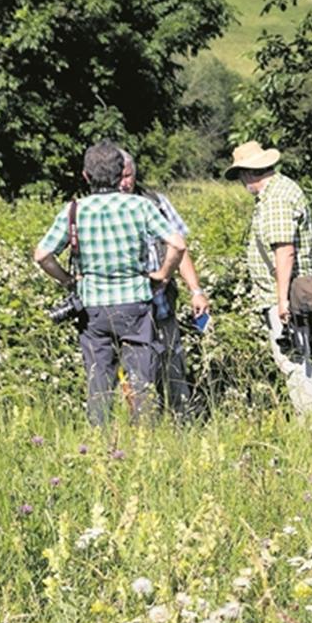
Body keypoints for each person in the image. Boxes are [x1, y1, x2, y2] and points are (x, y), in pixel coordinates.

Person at [33, 140, 186, 426]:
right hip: (135, 304)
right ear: (120, 175)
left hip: (93, 308)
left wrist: (67, 280)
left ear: (86, 176)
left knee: (98, 380)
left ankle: (99, 440)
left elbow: (42, 255)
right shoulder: (140, 206)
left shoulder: (74, 210)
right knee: (142, 379)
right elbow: (177, 244)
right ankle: (145, 438)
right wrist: (163, 275)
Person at [227, 141, 312, 417]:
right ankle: (309, 418)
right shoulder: (281, 189)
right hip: (288, 291)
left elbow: (285, 252)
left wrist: (282, 302)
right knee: (297, 356)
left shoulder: (276, 198)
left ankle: (309, 424)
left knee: (293, 359)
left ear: (247, 173)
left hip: (284, 294)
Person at [119, 149, 210, 420]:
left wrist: (196, 290)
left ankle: (182, 422)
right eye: (119, 177)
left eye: (128, 175)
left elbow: (180, 249)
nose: (124, 183)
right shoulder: (101, 209)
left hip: (161, 305)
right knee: (136, 375)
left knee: (173, 366)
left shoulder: (156, 202)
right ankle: (144, 430)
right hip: (126, 310)